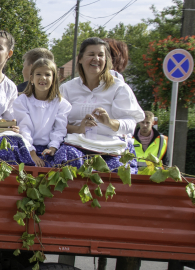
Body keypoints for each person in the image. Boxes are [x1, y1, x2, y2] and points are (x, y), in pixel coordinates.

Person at [58, 37, 145, 172]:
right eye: (91, 54)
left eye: (100, 55)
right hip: (77, 145)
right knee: (65, 158)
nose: (96, 59)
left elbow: (131, 124)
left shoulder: (119, 88)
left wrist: (110, 122)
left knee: (115, 170)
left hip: (112, 147)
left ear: (106, 60)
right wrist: (79, 128)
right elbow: (57, 124)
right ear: (80, 59)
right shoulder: (67, 88)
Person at [13, 58, 74, 167]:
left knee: (70, 154)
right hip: (27, 146)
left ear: (54, 79)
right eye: (38, 74)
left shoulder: (61, 104)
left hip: (49, 147)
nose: (43, 78)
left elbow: (59, 129)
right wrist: (31, 153)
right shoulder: (22, 101)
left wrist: (52, 147)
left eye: (47, 74)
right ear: (31, 78)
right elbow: (24, 128)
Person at [133, 111, 168, 175]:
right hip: (134, 176)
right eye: (142, 122)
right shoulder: (130, 138)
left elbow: (165, 162)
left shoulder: (162, 140)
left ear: (153, 123)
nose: (145, 125)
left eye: (148, 123)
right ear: (139, 122)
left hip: (154, 178)